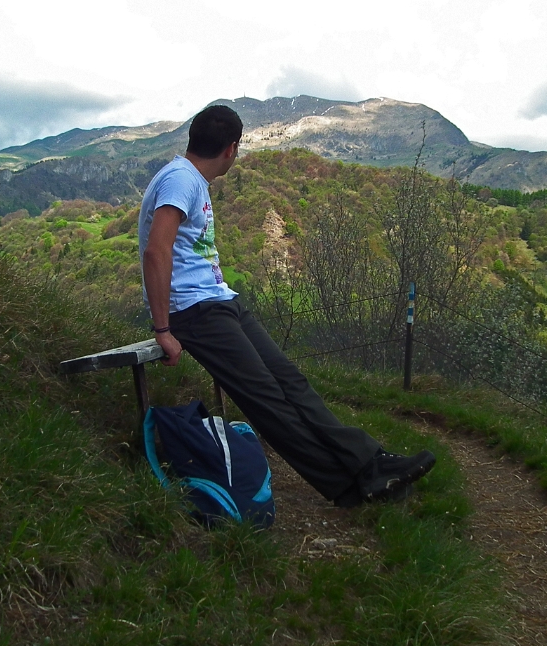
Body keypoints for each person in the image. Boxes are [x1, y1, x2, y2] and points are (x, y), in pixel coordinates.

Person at [138, 104, 435, 507]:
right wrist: (162, 329)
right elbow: (157, 251)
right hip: (193, 311)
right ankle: (348, 489)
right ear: (232, 149)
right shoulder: (180, 180)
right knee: (267, 399)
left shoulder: (190, 179)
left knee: (289, 381)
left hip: (220, 301)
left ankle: (370, 462)